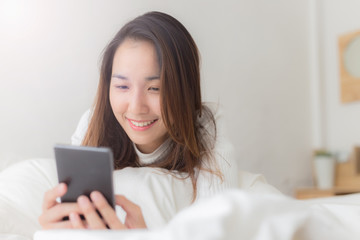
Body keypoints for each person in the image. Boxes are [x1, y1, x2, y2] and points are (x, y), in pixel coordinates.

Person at [39, 11, 275, 231]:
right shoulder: (94, 122)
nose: (136, 107)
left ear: (185, 91)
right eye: (122, 86)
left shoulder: (204, 124)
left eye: (155, 88)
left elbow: (216, 224)